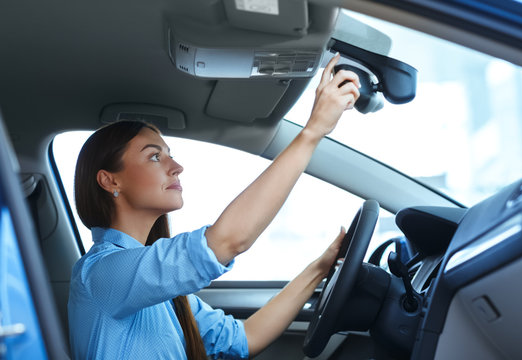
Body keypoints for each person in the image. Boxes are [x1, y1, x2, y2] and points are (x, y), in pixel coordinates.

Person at [67, 54, 360, 359]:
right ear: (110, 181)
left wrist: (320, 268)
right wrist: (312, 132)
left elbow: (245, 338)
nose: (177, 166)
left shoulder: (162, 291)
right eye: (155, 156)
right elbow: (228, 240)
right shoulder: (100, 274)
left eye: (170, 154)